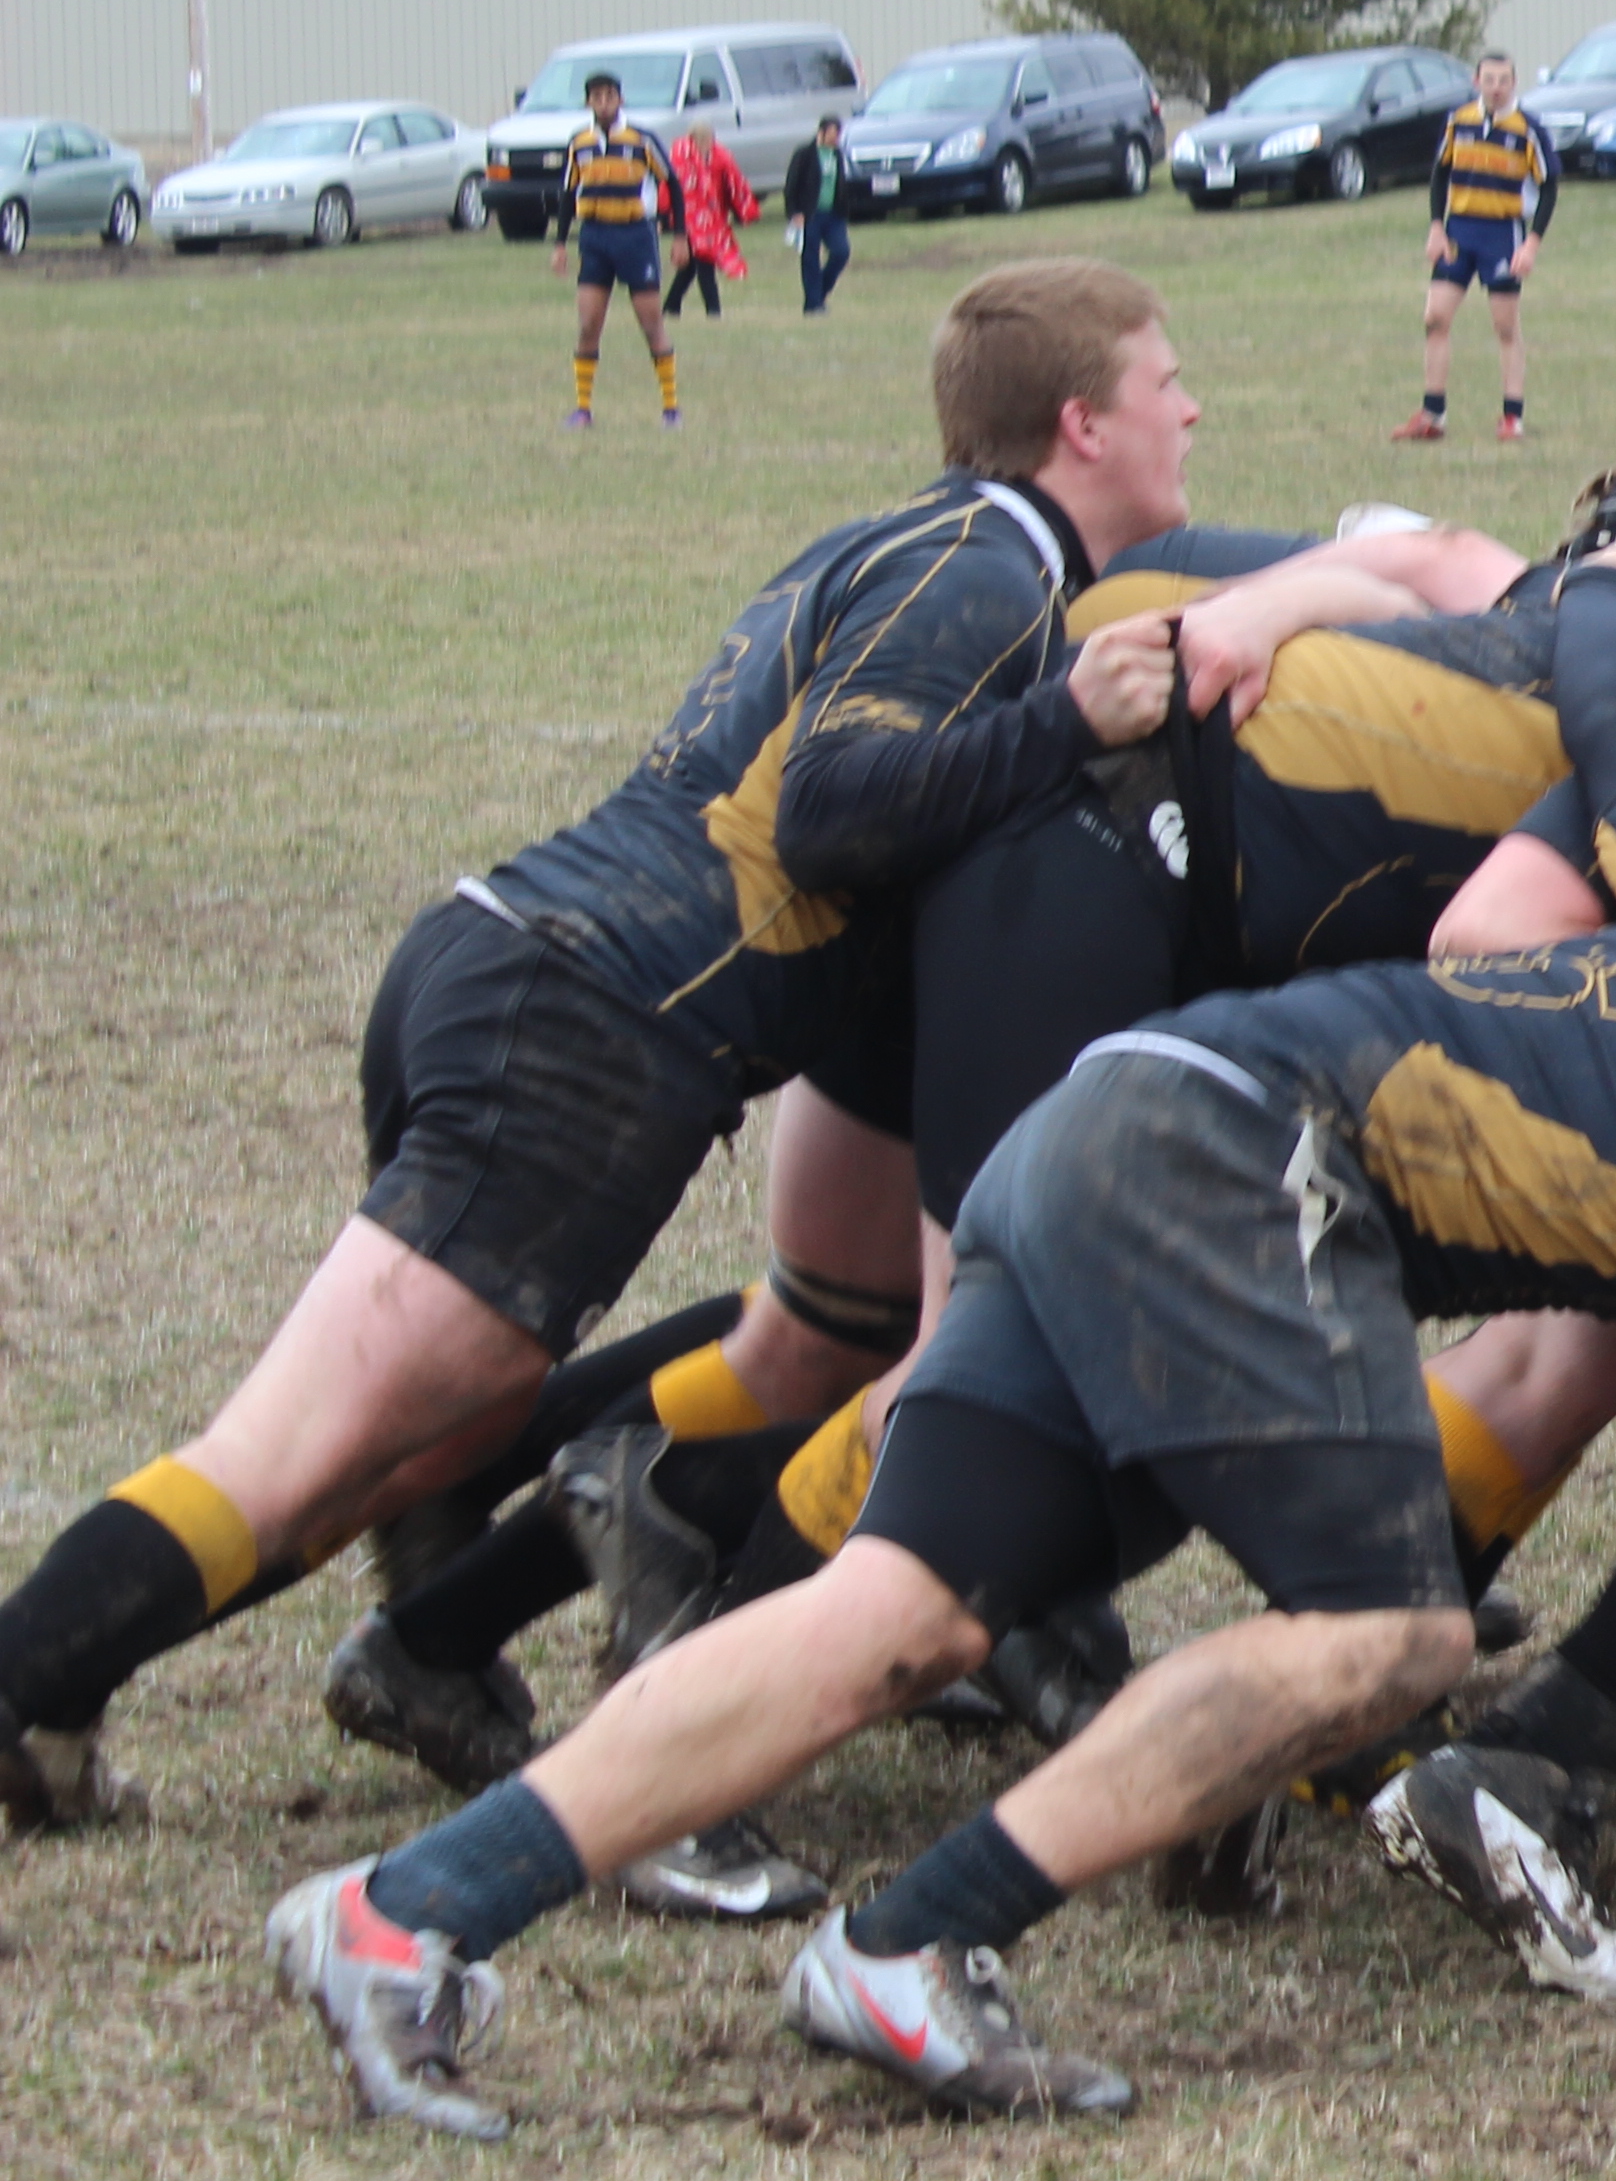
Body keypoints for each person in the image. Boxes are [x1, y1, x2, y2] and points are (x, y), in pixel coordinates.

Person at [267, 560, 1616, 2131]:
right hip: (1242, 1164)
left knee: (900, 1612)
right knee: (1394, 1634)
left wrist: (1613, 580)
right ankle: (911, 1946)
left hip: (1116, 1103)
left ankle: (402, 1911)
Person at [0, 266, 1200, 1844]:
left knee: (405, 1435)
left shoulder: (917, 544)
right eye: (1168, 382)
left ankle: (414, 1618)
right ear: (1081, 424)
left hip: (522, 964)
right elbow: (835, 804)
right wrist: (1075, 719)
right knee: (301, 1451)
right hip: (583, 1018)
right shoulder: (985, 562)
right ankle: (31, 1681)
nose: (1191, 412)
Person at [1399, 55, 1550, 446]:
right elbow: (1440, 174)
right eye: (1489, 79)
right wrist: (1436, 226)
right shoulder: (1459, 120)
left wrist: (1531, 244)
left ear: (1514, 83)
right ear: (1476, 80)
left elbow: (1549, 187)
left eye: (1503, 80)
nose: (1496, 87)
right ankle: (1433, 414)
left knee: (1504, 326)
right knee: (1435, 318)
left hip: (1501, 234)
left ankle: (1512, 417)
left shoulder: (1527, 129)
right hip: (1458, 233)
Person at [550, 69, 680, 429]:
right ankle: (582, 409)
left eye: (609, 95)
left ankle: (671, 408)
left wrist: (680, 236)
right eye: (596, 96)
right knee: (589, 323)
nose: (603, 102)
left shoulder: (641, 140)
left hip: (634, 237)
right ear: (588, 102)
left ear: (620, 99)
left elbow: (674, 183)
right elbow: (566, 195)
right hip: (594, 237)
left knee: (651, 323)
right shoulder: (580, 143)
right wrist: (561, 244)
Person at [664, 123, 755, 320]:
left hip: (712, 219)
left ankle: (671, 306)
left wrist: (741, 210)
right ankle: (713, 310)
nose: (707, 143)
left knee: (690, 267)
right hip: (688, 218)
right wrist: (666, 216)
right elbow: (671, 187)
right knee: (704, 262)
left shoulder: (720, 157)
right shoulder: (680, 157)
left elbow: (733, 182)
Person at [783, 113, 856, 316]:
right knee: (810, 259)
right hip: (809, 215)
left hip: (833, 215)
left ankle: (818, 294)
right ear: (821, 132)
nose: (835, 139)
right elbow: (791, 185)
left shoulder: (837, 155)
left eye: (838, 135)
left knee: (841, 252)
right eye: (832, 134)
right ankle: (813, 305)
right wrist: (794, 212)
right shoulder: (805, 154)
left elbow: (842, 184)